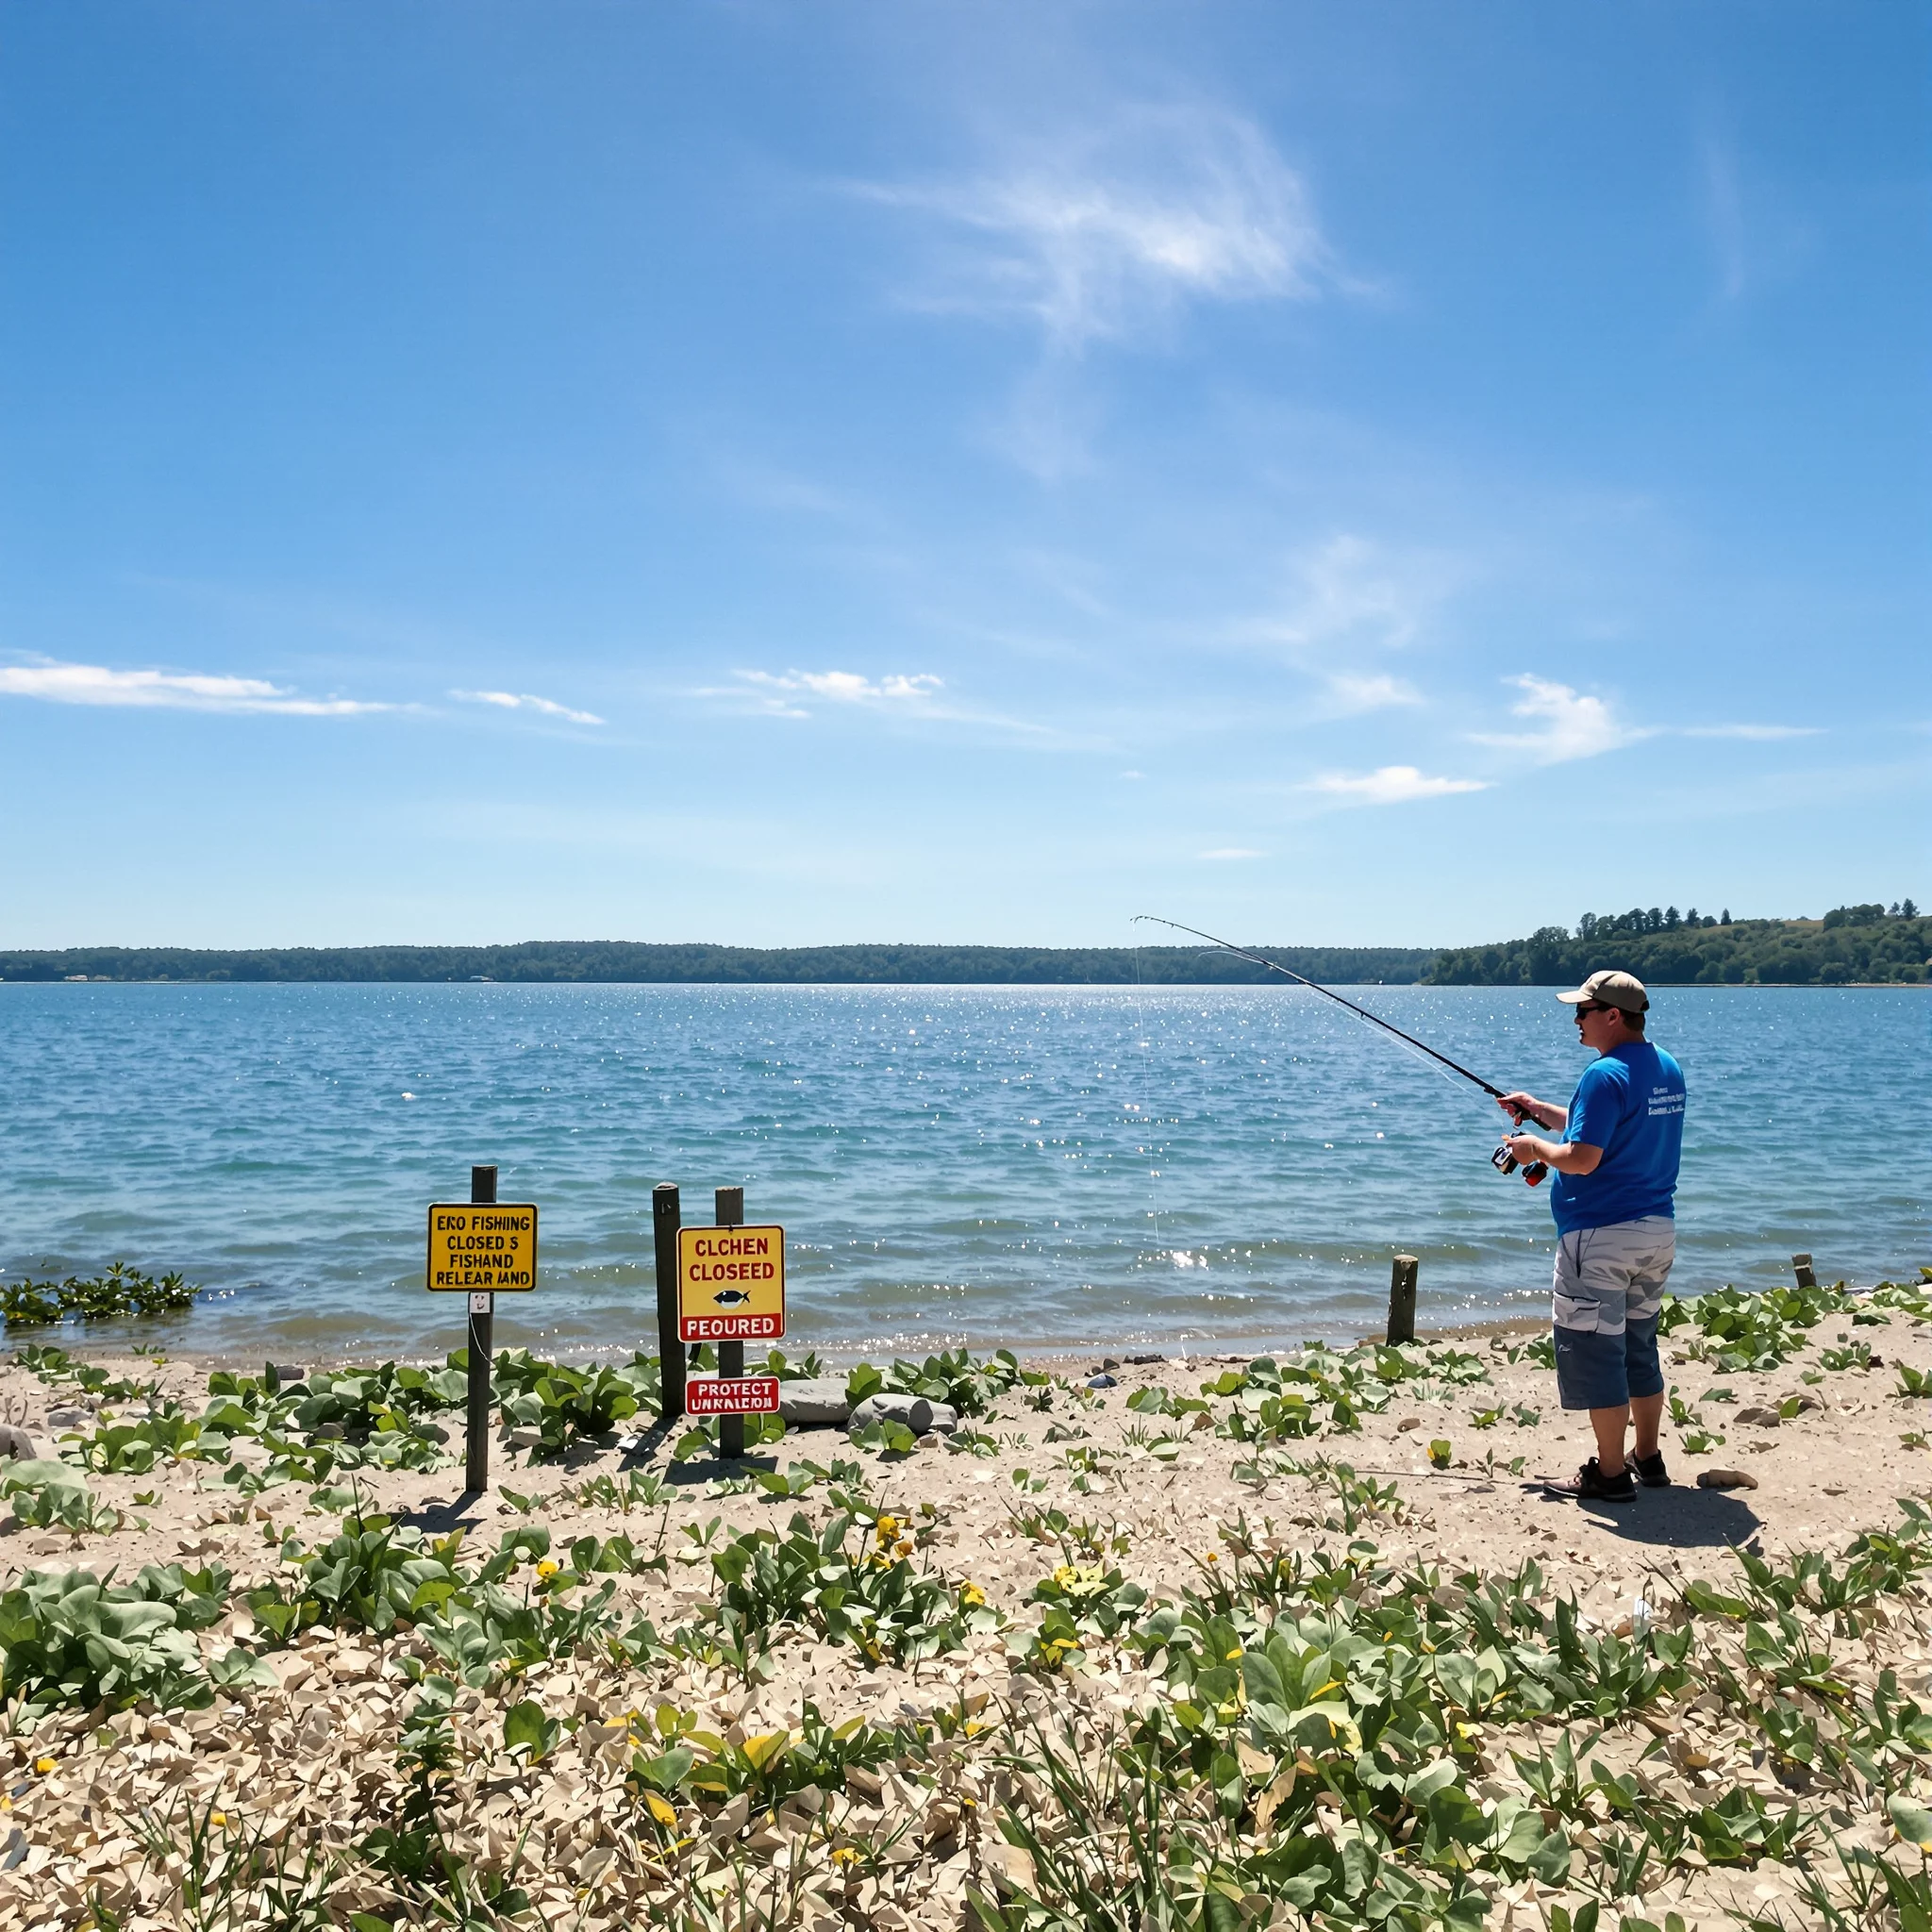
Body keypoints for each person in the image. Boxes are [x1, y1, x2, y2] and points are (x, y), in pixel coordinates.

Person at [1498, 970, 1686, 1503]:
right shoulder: (1664, 1067)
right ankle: (1647, 1458)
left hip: (1601, 1237)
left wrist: (1534, 1150)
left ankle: (1608, 1473)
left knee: (1597, 1351)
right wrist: (1540, 1111)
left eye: (1582, 1011)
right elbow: (1602, 1129)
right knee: (1637, 1346)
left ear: (1612, 1016)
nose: (1575, 1020)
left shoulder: (1604, 1074)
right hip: (1656, 1232)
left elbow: (1582, 1159)